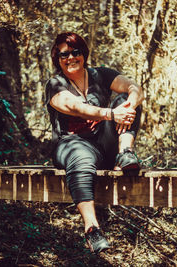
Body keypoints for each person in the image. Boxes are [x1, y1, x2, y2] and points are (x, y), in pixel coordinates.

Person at [45, 32, 143, 253]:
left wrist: (130, 103)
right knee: (80, 157)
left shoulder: (100, 75)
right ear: (57, 59)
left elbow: (134, 87)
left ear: (84, 54)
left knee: (126, 102)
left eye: (75, 52)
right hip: (72, 144)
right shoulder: (55, 84)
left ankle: (126, 153)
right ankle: (92, 229)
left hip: (104, 145)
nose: (70, 58)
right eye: (64, 54)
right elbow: (74, 107)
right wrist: (110, 113)